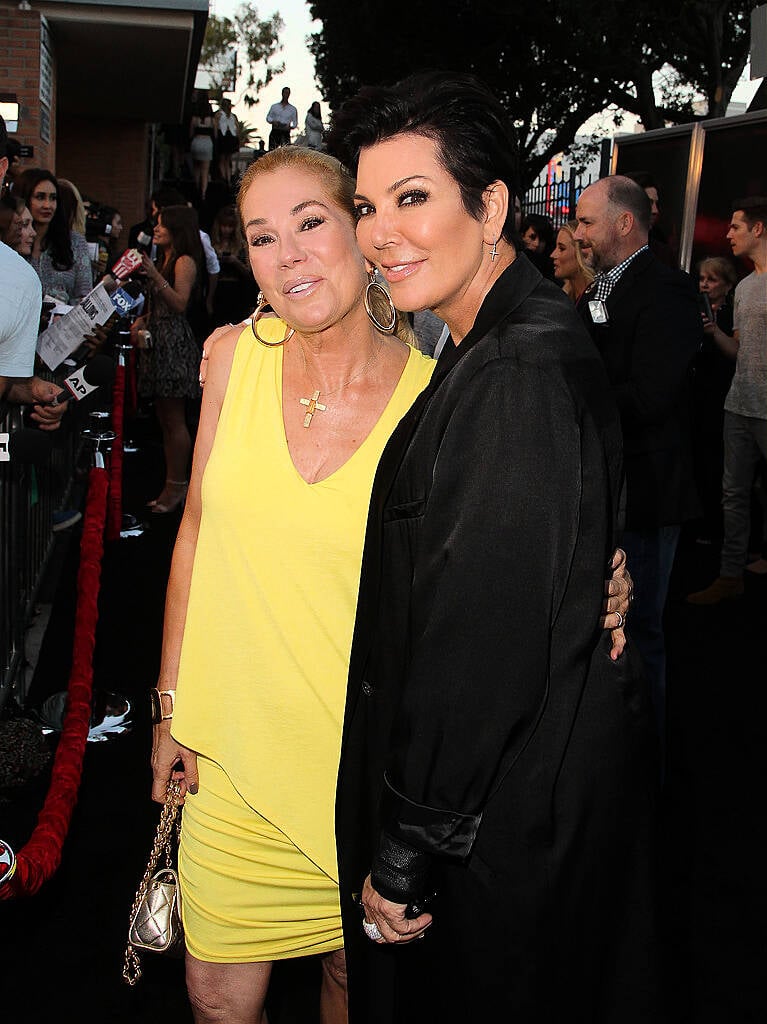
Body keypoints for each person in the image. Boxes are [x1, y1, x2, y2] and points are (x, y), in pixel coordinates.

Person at [152, 144, 633, 1024]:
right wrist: (168, 705)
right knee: (213, 996)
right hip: (227, 758)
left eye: (310, 223)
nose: (288, 253)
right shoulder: (230, 361)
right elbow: (192, 539)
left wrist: (591, 576)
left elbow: (500, 561)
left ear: (359, 235)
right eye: (260, 237)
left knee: (354, 990)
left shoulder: (440, 396)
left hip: (357, 768)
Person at [328, 72, 659, 1023]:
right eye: (365, 206)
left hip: (498, 836)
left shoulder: (511, 366)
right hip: (519, 813)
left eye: (412, 198)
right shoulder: (493, 341)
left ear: (492, 208)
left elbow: (480, 646)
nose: (379, 231)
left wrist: (405, 851)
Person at [574, 175, 702, 772]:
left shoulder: (669, 290)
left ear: (624, 224)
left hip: (649, 494)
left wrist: (572, 397)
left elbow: (653, 395)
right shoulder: (601, 289)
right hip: (612, 487)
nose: (577, 233)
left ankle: (648, 766)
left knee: (641, 628)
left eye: (586, 221)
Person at [687, 198, 767, 603]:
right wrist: (713, 334)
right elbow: (740, 351)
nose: (728, 233)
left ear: (758, 229)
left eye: (736, 226)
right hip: (739, 405)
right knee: (732, 494)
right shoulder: (747, 288)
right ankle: (729, 575)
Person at [131, 204, 203, 514]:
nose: (155, 229)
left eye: (161, 225)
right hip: (157, 341)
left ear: (176, 228)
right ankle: (171, 484)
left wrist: (154, 275)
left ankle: (177, 487)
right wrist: (143, 319)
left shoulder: (184, 261)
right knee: (164, 417)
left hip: (174, 345)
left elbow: (179, 303)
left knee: (174, 420)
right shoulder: (166, 258)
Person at [0, 117, 65, 428]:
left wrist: (33, 389)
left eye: (53, 198)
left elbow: (6, 379)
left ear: (1, 170)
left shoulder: (21, 281)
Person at [690, 255, 738, 546]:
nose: (705, 285)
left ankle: (715, 529)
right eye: (702, 278)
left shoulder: (732, 315)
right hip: (699, 394)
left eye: (712, 279)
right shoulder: (696, 309)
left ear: (727, 285)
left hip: (724, 393)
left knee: (718, 464)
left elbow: (734, 353)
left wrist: (713, 331)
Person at [16, 168, 93, 304]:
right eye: (40, 197)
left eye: (53, 198)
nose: (48, 205)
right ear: (25, 198)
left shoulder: (74, 242)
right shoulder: (10, 242)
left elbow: (84, 297)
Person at [208, 204, 256, 326]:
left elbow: (249, 273)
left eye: (230, 226)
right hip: (217, 290)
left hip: (237, 291)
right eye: (224, 226)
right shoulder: (211, 244)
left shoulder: (242, 246)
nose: (226, 230)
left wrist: (235, 261)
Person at [550, 218, 594, 303]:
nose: (553, 255)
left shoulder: (598, 297)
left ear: (582, 253)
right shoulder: (562, 297)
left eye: (562, 248)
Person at [189, 97, 216, 201]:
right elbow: (215, 135)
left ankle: (196, 189)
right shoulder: (211, 120)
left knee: (196, 169)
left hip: (196, 141)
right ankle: (203, 194)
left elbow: (190, 133)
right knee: (205, 171)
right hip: (207, 143)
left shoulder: (194, 119)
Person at [520, 211, 556, 278]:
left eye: (542, 240)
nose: (537, 244)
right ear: (522, 236)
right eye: (532, 237)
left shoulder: (551, 266)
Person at [215, 97, 240, 187]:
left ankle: (224, 178)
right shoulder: (233, 116)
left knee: (223, 159)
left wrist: (215, 138)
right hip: (231, 137)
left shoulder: (218, 115)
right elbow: (237, 129)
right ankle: (228, 178)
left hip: (223, 137)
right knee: (227, 159)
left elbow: (216, 126)